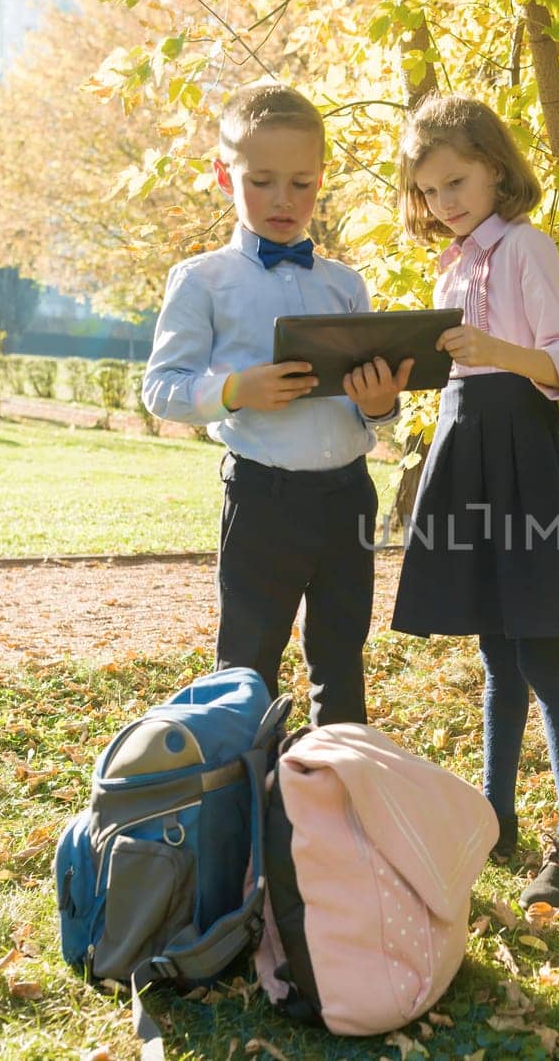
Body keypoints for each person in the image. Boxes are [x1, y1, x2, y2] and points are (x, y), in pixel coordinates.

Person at [391, 95, 559, 908]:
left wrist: (492, 350)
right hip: (465, 449)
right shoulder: (449, 264)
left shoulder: (527, 247)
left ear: (495, 167)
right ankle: (496, 821)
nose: (444, 201)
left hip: (522, 451)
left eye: (457, 181)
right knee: (494, 655)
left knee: (543, 657)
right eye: (428, 191)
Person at [142, 84, 410, 726]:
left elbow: (374, 416)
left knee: (342, 654)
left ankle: (338, 796)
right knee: (246, 661)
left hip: (348, 495)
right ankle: (242, 806)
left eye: (301, 182)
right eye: (262, 181)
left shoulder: (345, 286)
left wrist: (378, 407)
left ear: (322, 179)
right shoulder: (202, 280)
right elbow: (161, 388)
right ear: (222, 175)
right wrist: (236, 391)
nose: (284, 200)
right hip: (262, 498)